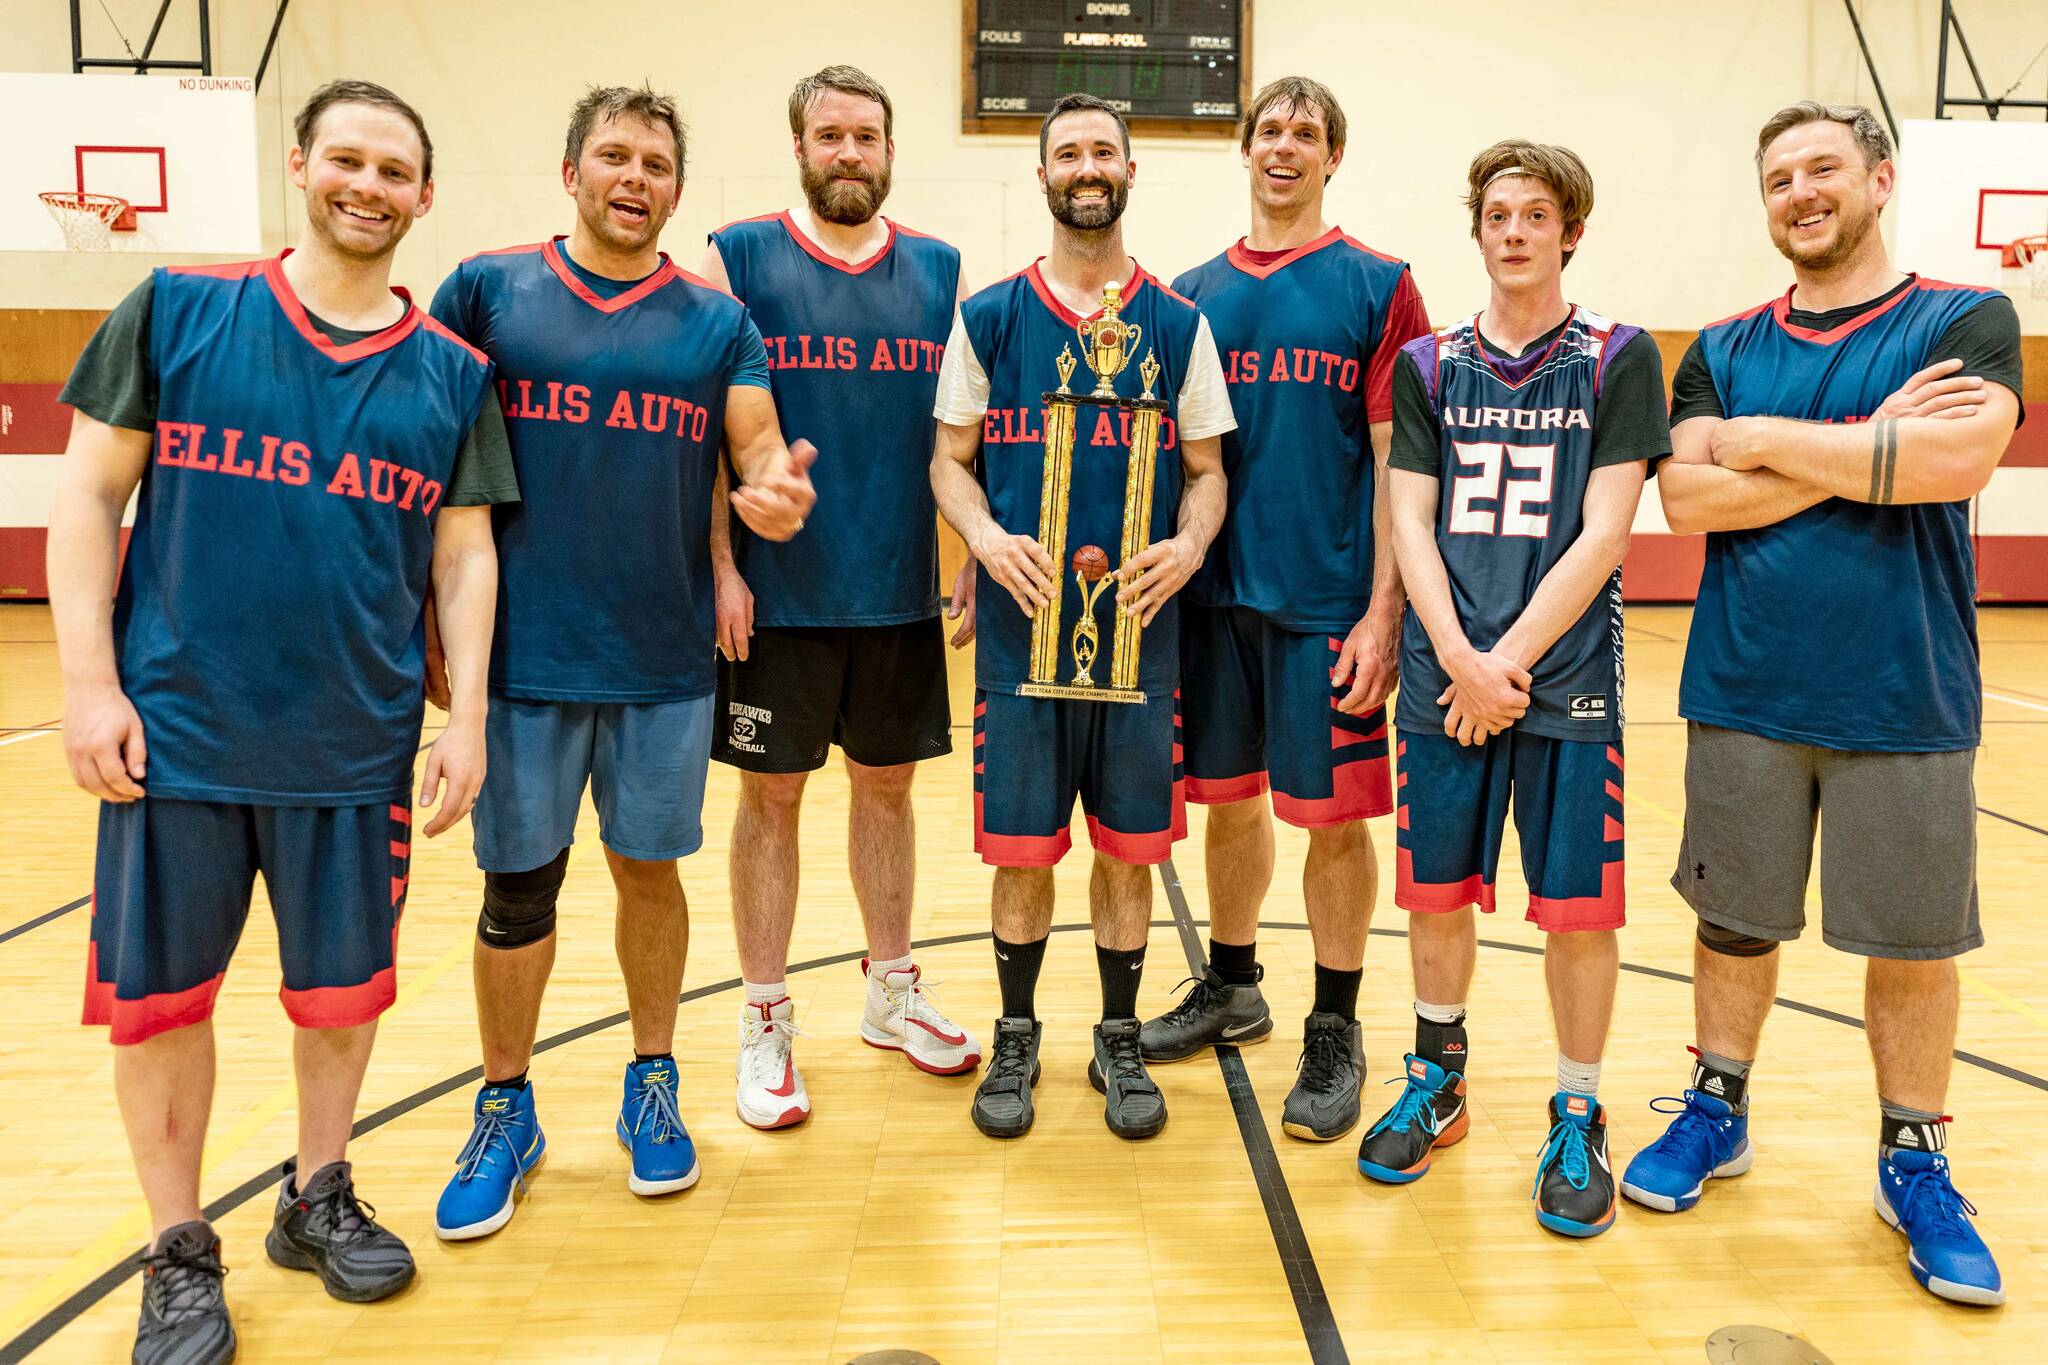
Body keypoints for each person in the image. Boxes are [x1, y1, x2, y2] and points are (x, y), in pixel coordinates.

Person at [48, 79, 515, 1365]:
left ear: (424, 196)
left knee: (336, 1000)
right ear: (302, 165)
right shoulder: (180, 310)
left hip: (352, 746)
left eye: (393, 170)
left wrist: (463, 719)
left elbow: (463, 561)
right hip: (178, 741)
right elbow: (86, 499)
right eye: (345, 160)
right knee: (161, 1004)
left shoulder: (452, 374)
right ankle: (178, 1246)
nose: (366, 186)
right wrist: (89, 684)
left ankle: (317, 1194)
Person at [1620, 101, 2023, 1304]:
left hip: (1904, 695)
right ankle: (1716, 1109)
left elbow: (1947, 467)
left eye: (1821, 170)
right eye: (1777, 177)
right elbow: (1685, 506)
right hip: (1742, 689)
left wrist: (1758, 447)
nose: (1799, 192)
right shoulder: (1722, 346)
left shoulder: (1963, 319)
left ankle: (1912, 1157)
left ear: (1878, 179)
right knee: (1732, 922)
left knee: (1908, 946)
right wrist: (1855, 446)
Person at [428, 84, 815, 1239]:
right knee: (517, 892)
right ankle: (506, 1106)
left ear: (674, 190)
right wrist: (425, 625)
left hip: (659, 658)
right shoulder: (487, 290)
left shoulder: (714, 321)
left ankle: (653, 1079)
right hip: (522, 660)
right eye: (613, 155)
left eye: (654, 162)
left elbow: (752, 443)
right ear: (571, 172)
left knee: (651, 874)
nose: (633, 176)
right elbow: (425, 455)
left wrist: (774, 497)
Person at [1366, 139, 1668, 1239]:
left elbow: (1604, 532)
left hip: (1565, 678)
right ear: (1476, 227)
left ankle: (1576, 1109)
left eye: (1534, 214)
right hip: (1446, 675)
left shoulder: (1615, 357)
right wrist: (1455, 655)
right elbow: (1406, 516)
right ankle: (1435, 1076)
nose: (1512, 229)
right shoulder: (1429, 363)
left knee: (1576, 912)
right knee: (1435, 891)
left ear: (1568, 231)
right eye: (1495, 212)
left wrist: (1505, 665)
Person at [931, 93, 1233, 1140]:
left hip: (1139, 639)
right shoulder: (987, 319)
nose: (1087, 166)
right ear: (1044, 176)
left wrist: (1190, 544)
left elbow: (1206, 473)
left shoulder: (1178, 326)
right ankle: (1017, 1032)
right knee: (1021, 851)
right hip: (1023, 642)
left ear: (1129, 169)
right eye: (1068, 152)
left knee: (1128, 848)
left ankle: (1113, 1032)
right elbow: (948, 463)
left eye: (1104, 149)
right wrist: (979, 536)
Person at [1146, 75, 1430, 1141]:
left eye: (1304, 134)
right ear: (1243, 149)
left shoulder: (1379, 284)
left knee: (1334, 822)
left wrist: (1384, 611)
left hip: (1326, 604)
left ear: (1330, 157)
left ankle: (1334, 1023)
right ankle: (1231, 985)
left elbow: (1403, 461)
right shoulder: (1185, 295)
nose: (1283, 147)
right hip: (1212, 597)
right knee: (1229, 803)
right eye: (1268, 130)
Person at [699, 66, 978, 1129]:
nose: (848, 152)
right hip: (779, 597)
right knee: (769, 800)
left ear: (890, 151)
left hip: (898, 589)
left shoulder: (941, 269)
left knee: (888, 790)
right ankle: (763, 1015)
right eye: (830, 136)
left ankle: (889, 992)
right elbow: (705, 438)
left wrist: (969, 545)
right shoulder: (736, 258)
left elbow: (964, 428)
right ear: (801, 148)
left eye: (866, 135)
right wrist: (723, 564)